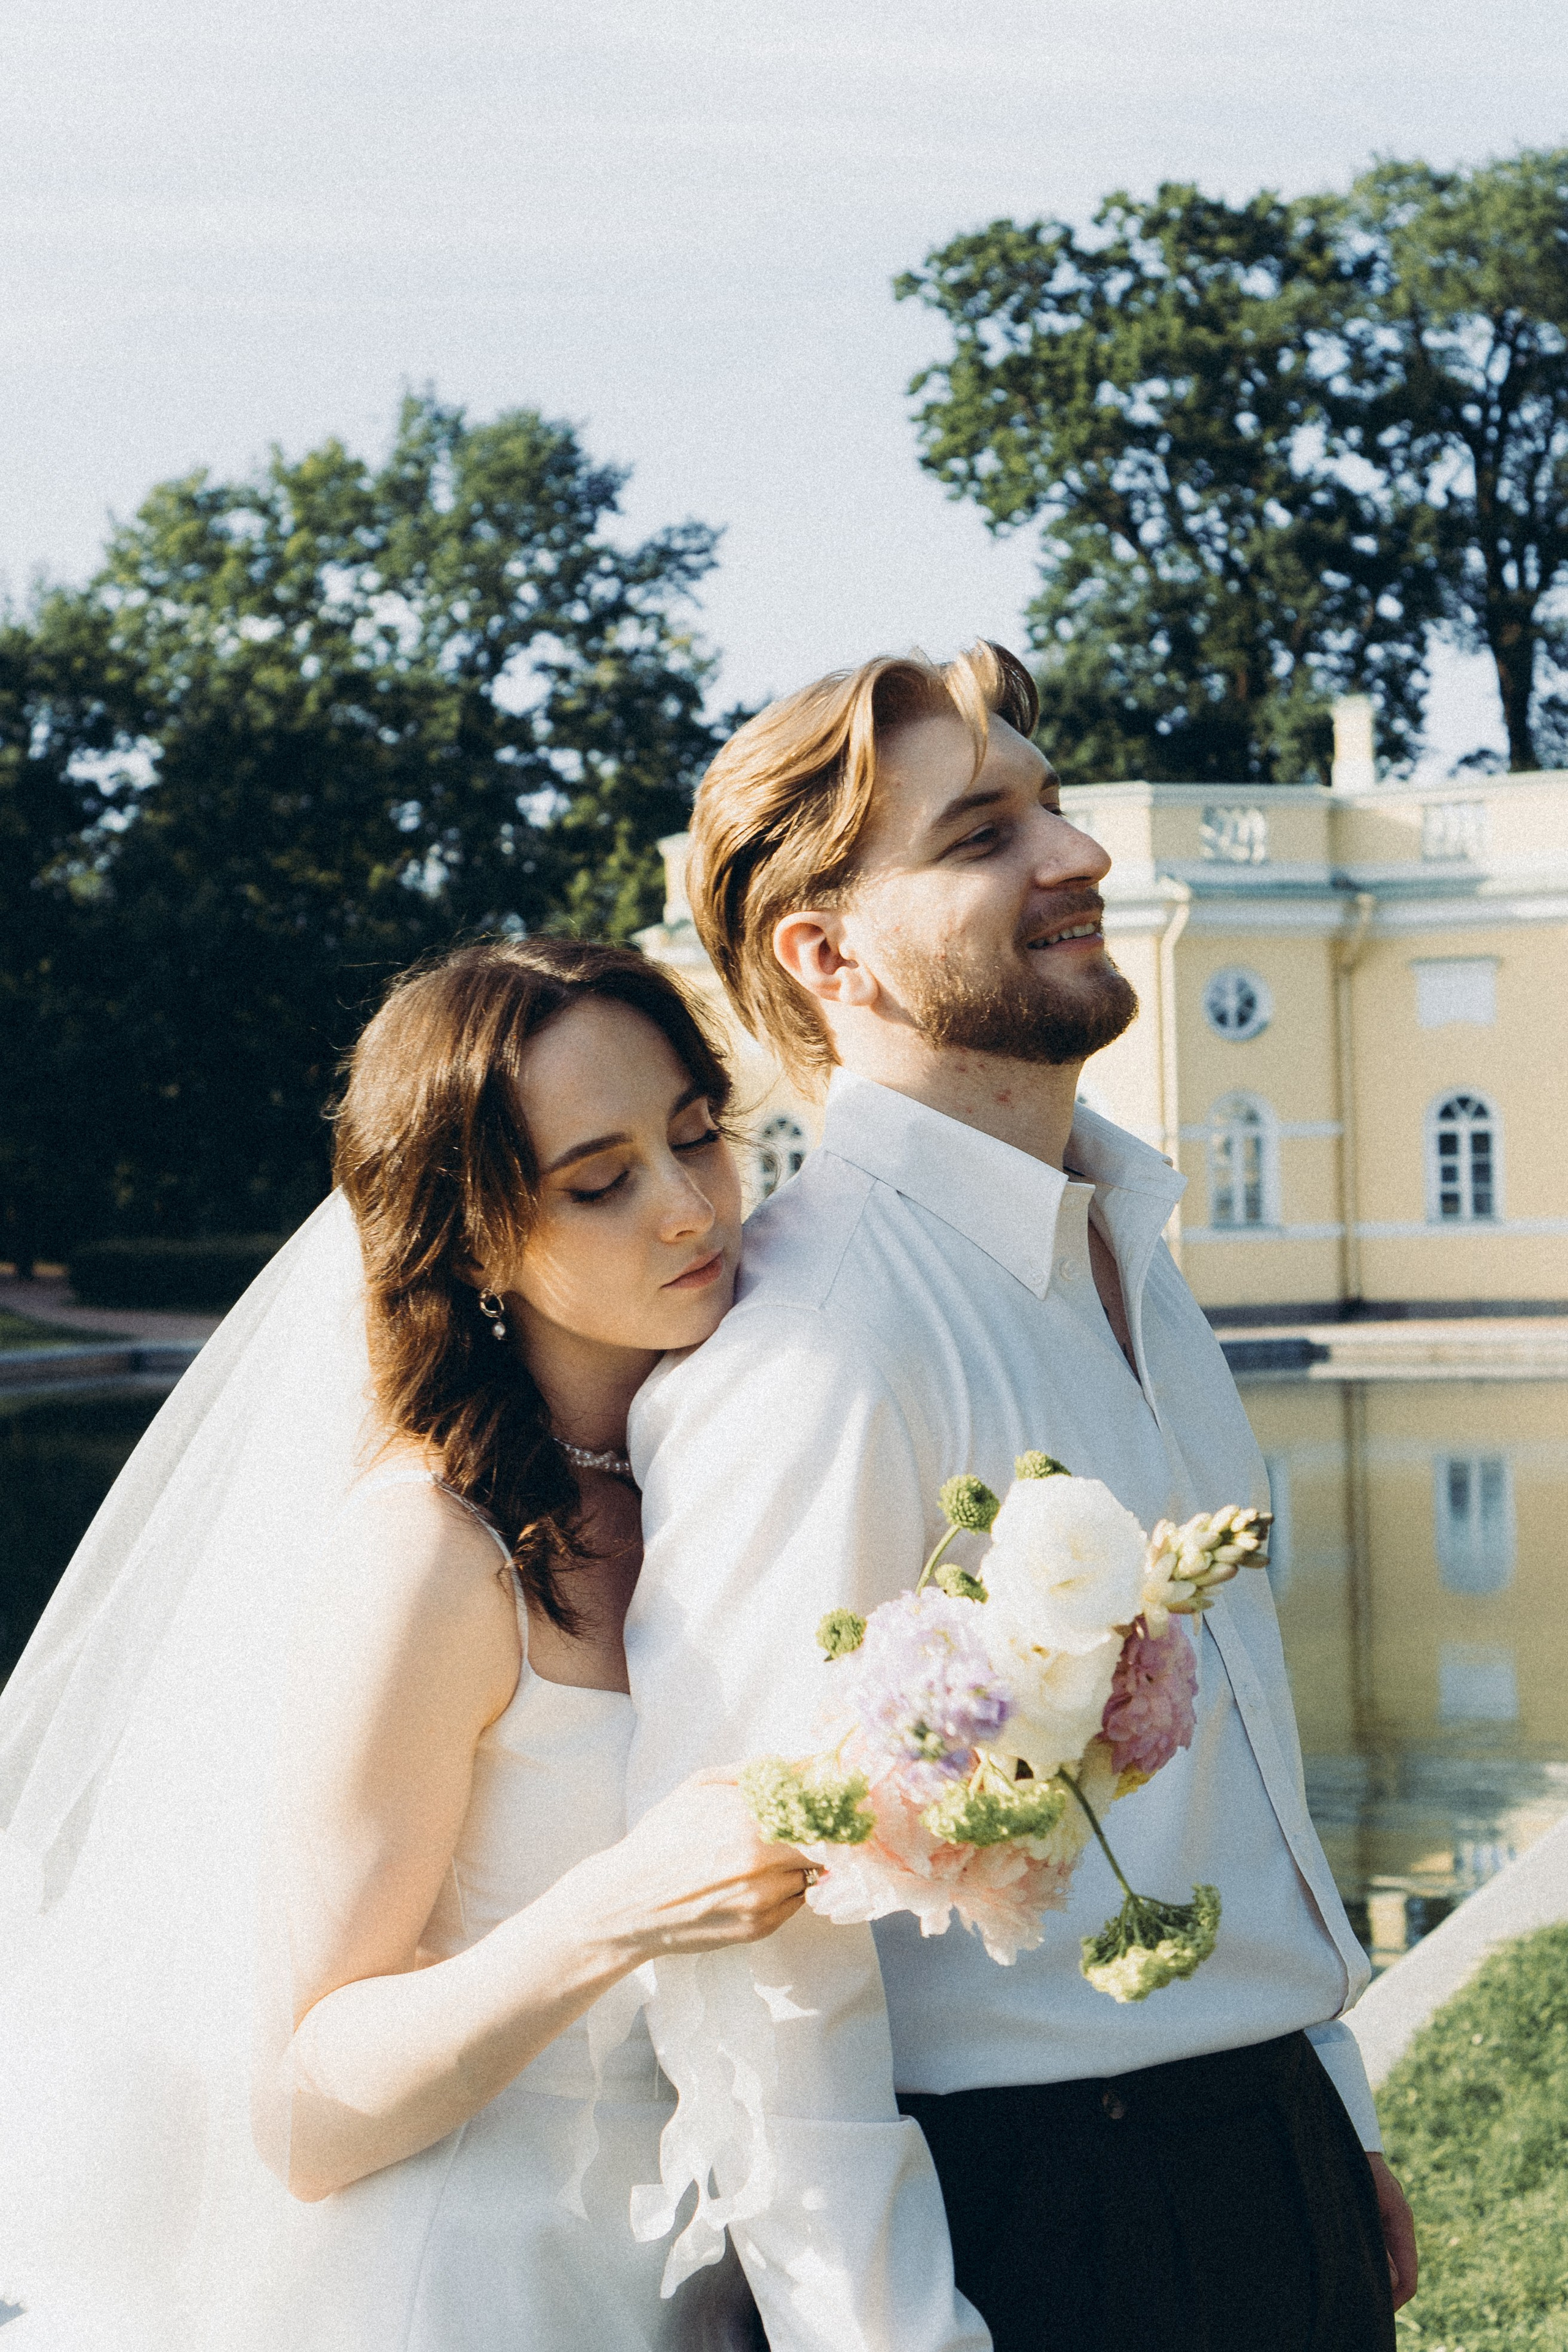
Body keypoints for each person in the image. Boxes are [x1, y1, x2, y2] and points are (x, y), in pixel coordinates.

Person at [622, 644, 1418, 2352]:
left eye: (1051, 806)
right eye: (983, 834)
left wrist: (1324, 2104)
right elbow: (754, 1939)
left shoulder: (1129, 1249)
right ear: (824, 953)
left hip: (1250, 2151)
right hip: (1037, 2231)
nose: (1079, 857)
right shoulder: (820, 1344)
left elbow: (1243, 1743)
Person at [0, 937, 829, 2350]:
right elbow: (306, 2107)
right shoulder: (431, 1556)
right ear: (477, 1232)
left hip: (710, 2261)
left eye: (698, 1136)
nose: (692, 1208)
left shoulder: (731, 1465)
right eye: (600, 1180)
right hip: (464, 2280)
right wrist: (616, 1909)